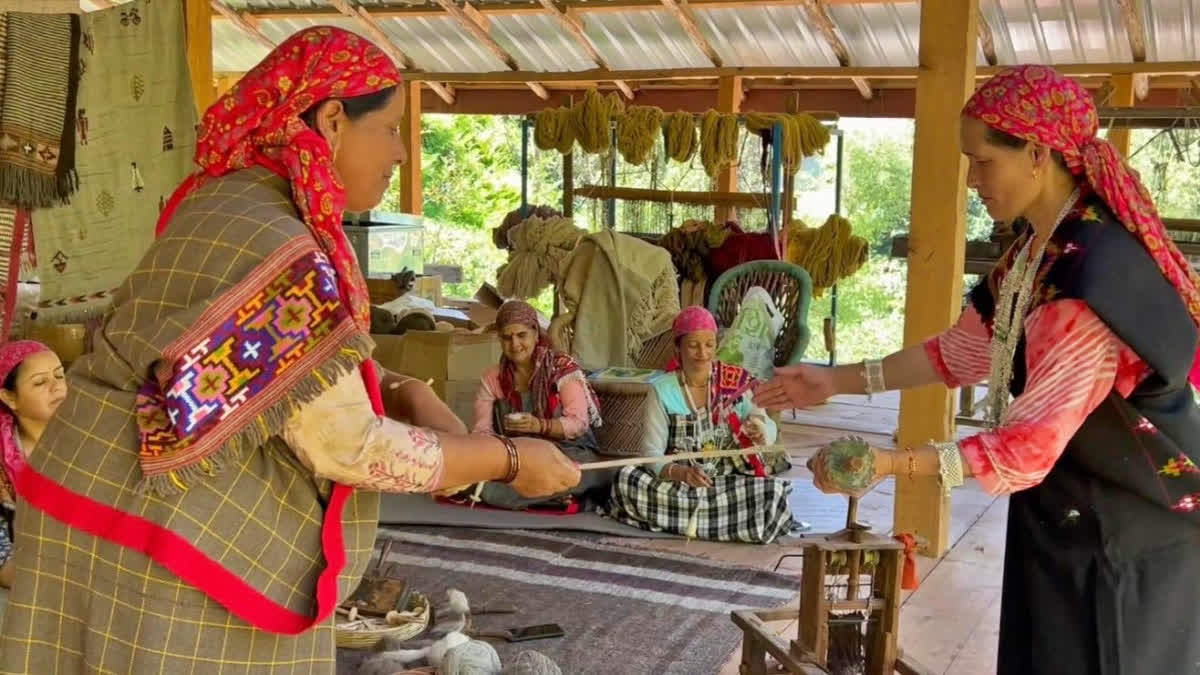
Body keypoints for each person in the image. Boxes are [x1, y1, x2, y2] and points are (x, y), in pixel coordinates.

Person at [0, 27, 579, 672]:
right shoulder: (285, 248)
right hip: (151, 523)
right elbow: (351, 446)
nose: (401, 152)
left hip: (83, 489)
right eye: (388, 128)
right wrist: (504, 459)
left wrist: (399, 386)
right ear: (332, 120)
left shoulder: (227, 200)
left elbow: (272, 361)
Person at [755, 64, 1200, 675]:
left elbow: (1027, 447)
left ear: (1037, 154)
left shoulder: (1087, 281)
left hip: (1127, 531)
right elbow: (960, 352)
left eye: (983, 161)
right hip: (1069, 506)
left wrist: (886, 464)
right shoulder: (1034, 250)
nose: (971, 180)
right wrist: (836, 379)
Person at [605, 306, 797, 543]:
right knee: (627, 478)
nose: (702, 353)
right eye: (693, 345)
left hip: (727, 482)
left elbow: (767, 425)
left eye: (709, 344)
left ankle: (683, 520)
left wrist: (758, 428)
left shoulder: (733, 381)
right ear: (678, 348)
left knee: (772, 492)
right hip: (678, 484)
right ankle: (730, 524)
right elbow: (651, 453)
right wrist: (682, 473)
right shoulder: (662, 389)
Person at [470, 300, 611, 509]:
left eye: (521, 335)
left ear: (536, 333)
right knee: (478, 474)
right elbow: (482, 431)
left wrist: (540, 426)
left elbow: (578, 423)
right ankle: (558, 499)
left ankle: (547, 495)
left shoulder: (562, 368)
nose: (515, 345)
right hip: (518, 457)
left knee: (587, 471)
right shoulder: (493, 377)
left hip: (566, 453)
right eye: (507, 338)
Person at [0, 341, 64, 589]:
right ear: (9, 397)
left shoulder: (92, 439)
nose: (57, 386)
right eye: (40, 382)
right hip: (30, 579)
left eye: (59, 375)